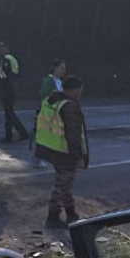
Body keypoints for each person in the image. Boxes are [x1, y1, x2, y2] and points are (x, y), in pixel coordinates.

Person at [34, 74, 89, 228]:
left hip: (51, 149)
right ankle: (53, 216)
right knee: (62, 184)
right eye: (80, 91)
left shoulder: (51, 100)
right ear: (75, 90)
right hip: (64, 152)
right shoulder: (69, 106)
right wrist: (77, 156)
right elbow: (73, 135)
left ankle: (71, 213)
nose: (80, 94)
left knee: (65, 182)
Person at [30, 58, 66, 153]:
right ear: (55, 68)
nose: (63, 71)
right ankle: (37, 158)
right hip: (48, 113)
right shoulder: (49, 80)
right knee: (43, 136)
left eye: (64, 69)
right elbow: (44, 95)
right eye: (61, 68)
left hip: (56, 113)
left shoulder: (60, 81)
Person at [0, 41, 29, 143]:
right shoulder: (12, 59)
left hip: (8, 89)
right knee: (8, 113)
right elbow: (16, 74)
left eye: (2, 48)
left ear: (7, 48)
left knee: (9, 112)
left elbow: (7, 75)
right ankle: (9, 136)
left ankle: (23, 133)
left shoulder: (6, 59)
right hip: (12, 87)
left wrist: (1, 81)